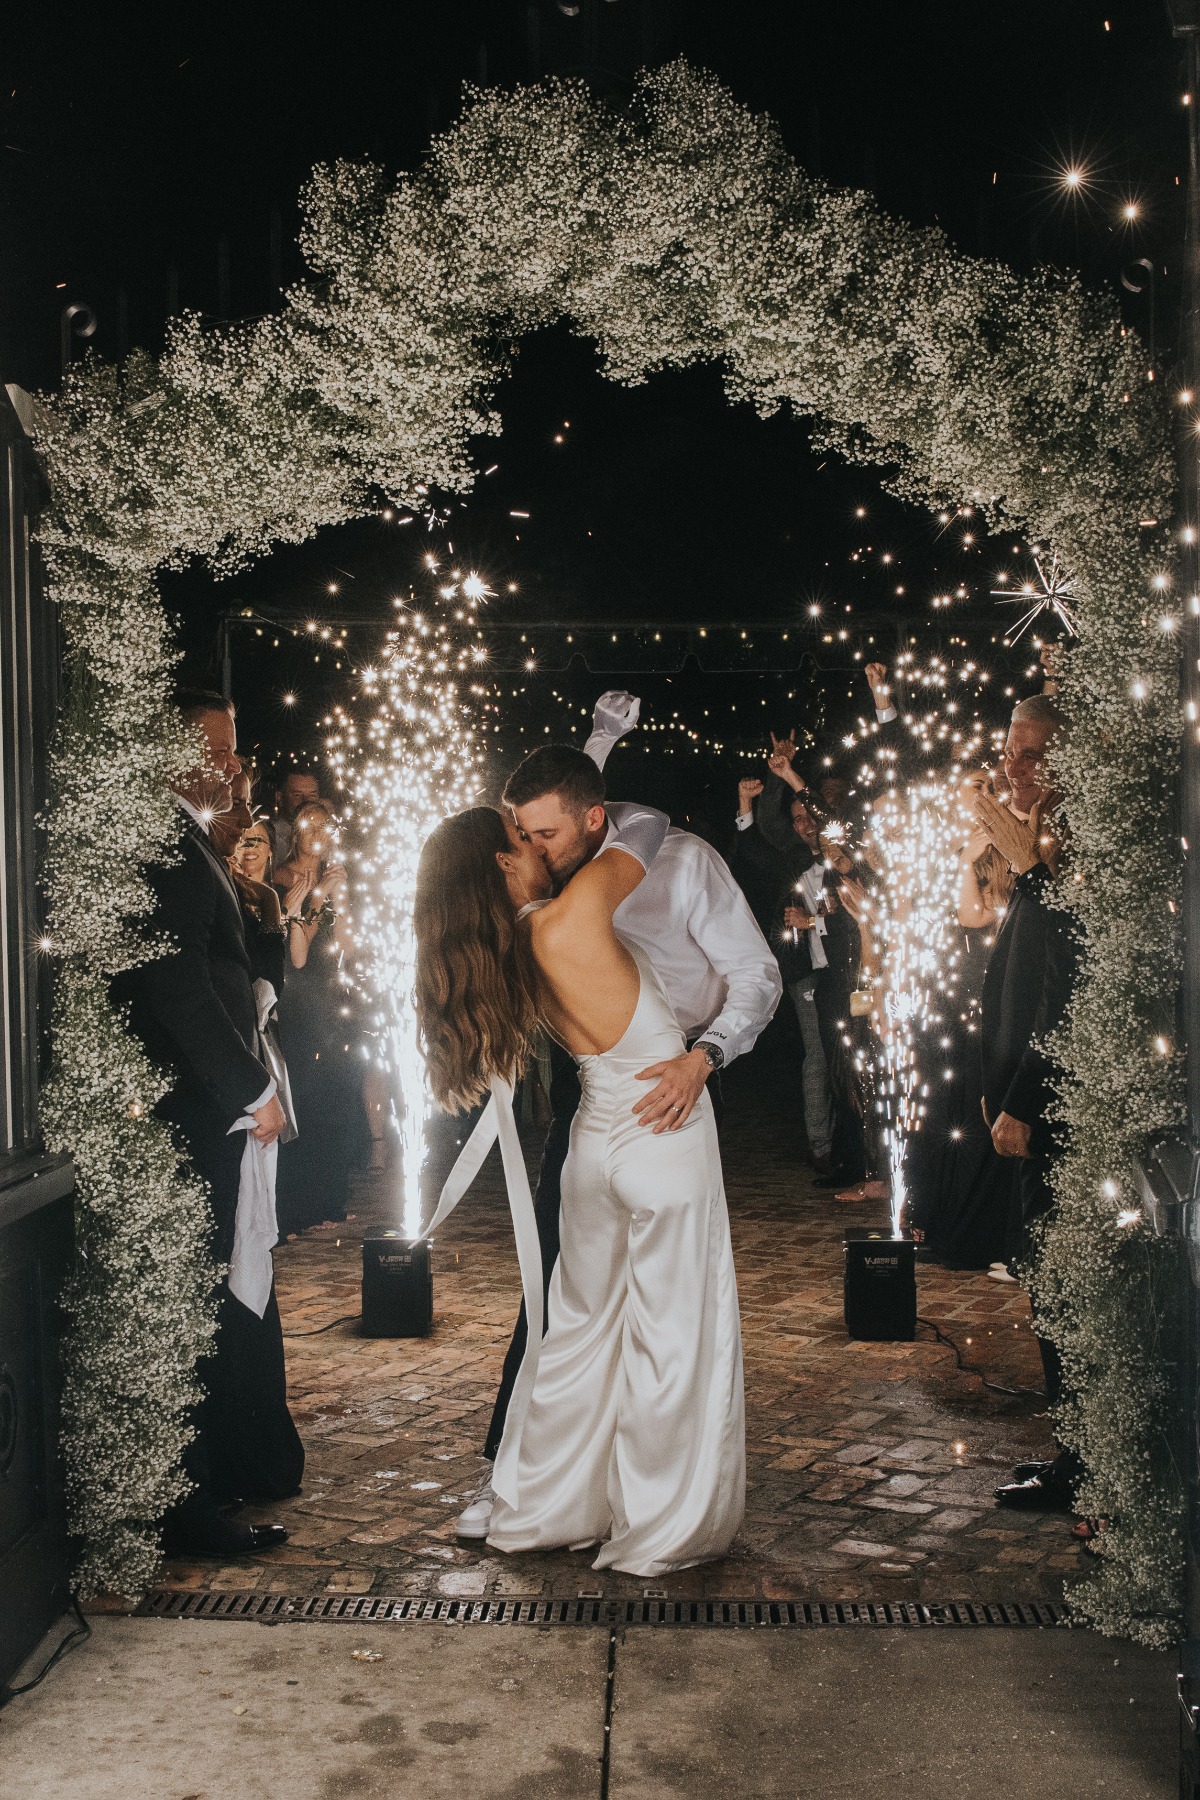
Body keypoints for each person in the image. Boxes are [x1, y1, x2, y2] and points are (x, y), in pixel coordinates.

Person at [458, 695, 780, 1540]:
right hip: (595, 1090)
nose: (528, 854)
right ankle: (520, 1475)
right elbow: (599, 812)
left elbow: (757, 975)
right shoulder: (558, 889)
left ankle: (631, 1493)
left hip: (684, 1076)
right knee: (565, 1298)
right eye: (519, 839)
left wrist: (705, 1056)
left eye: (544, 838)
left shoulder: (684, 864)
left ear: (592, 821)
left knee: (651, 1304)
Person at [414, 800, 747, 1576]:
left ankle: (546, 1506)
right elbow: (649, 826)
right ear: (502, 863)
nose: (537, 846)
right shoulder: (572, 917)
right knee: (675, 1339)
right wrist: (585, 794)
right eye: (520, 837)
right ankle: (663, 1524)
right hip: (663, 1133)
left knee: (576, 1341)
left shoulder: (511, 951)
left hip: (591, 1153)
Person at [112, 689, 299, 1556]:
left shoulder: (190, 839)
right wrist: (245, 1088)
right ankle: (195, 1496)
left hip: (208, 1105)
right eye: (213, 749)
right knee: (203, 1291)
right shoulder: (163, 842)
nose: (231, 764)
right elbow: (174, 983)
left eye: (234, 750)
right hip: (195, 1110)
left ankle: (225, 1474)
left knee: (224, 1280)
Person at [973, 695, 1080, 1510]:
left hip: (1057, 1111)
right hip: (1022, 1099)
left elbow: (1063, 993)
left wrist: (1022, 1100)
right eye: (1010, 750)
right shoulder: (1042, 853)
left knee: (1065, 1283)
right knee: (1047, 1280)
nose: (1014, 767)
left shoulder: (1074, 861)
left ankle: (1086, 1463)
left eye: (1032, 753)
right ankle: (1076, 1453)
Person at [272, 800, 366, 1234]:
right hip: (298, 995)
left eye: (326, 826)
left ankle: (329, 1197)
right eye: (310, 822)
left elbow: (347, 942)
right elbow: (299, 954)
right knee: (304, 1096)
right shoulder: (285, 878)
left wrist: (340, 896)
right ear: (296, 829)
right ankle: (298, 1203)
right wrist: (321, 893)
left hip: (332, 995)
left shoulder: (333, 877)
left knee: (336, 1094)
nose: (318, 831)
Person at [269, 766, 323, 865]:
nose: (306, 801)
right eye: (297, 795)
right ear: (279, 798)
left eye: (312, 795)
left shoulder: (324, 836)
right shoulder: (269, 837)